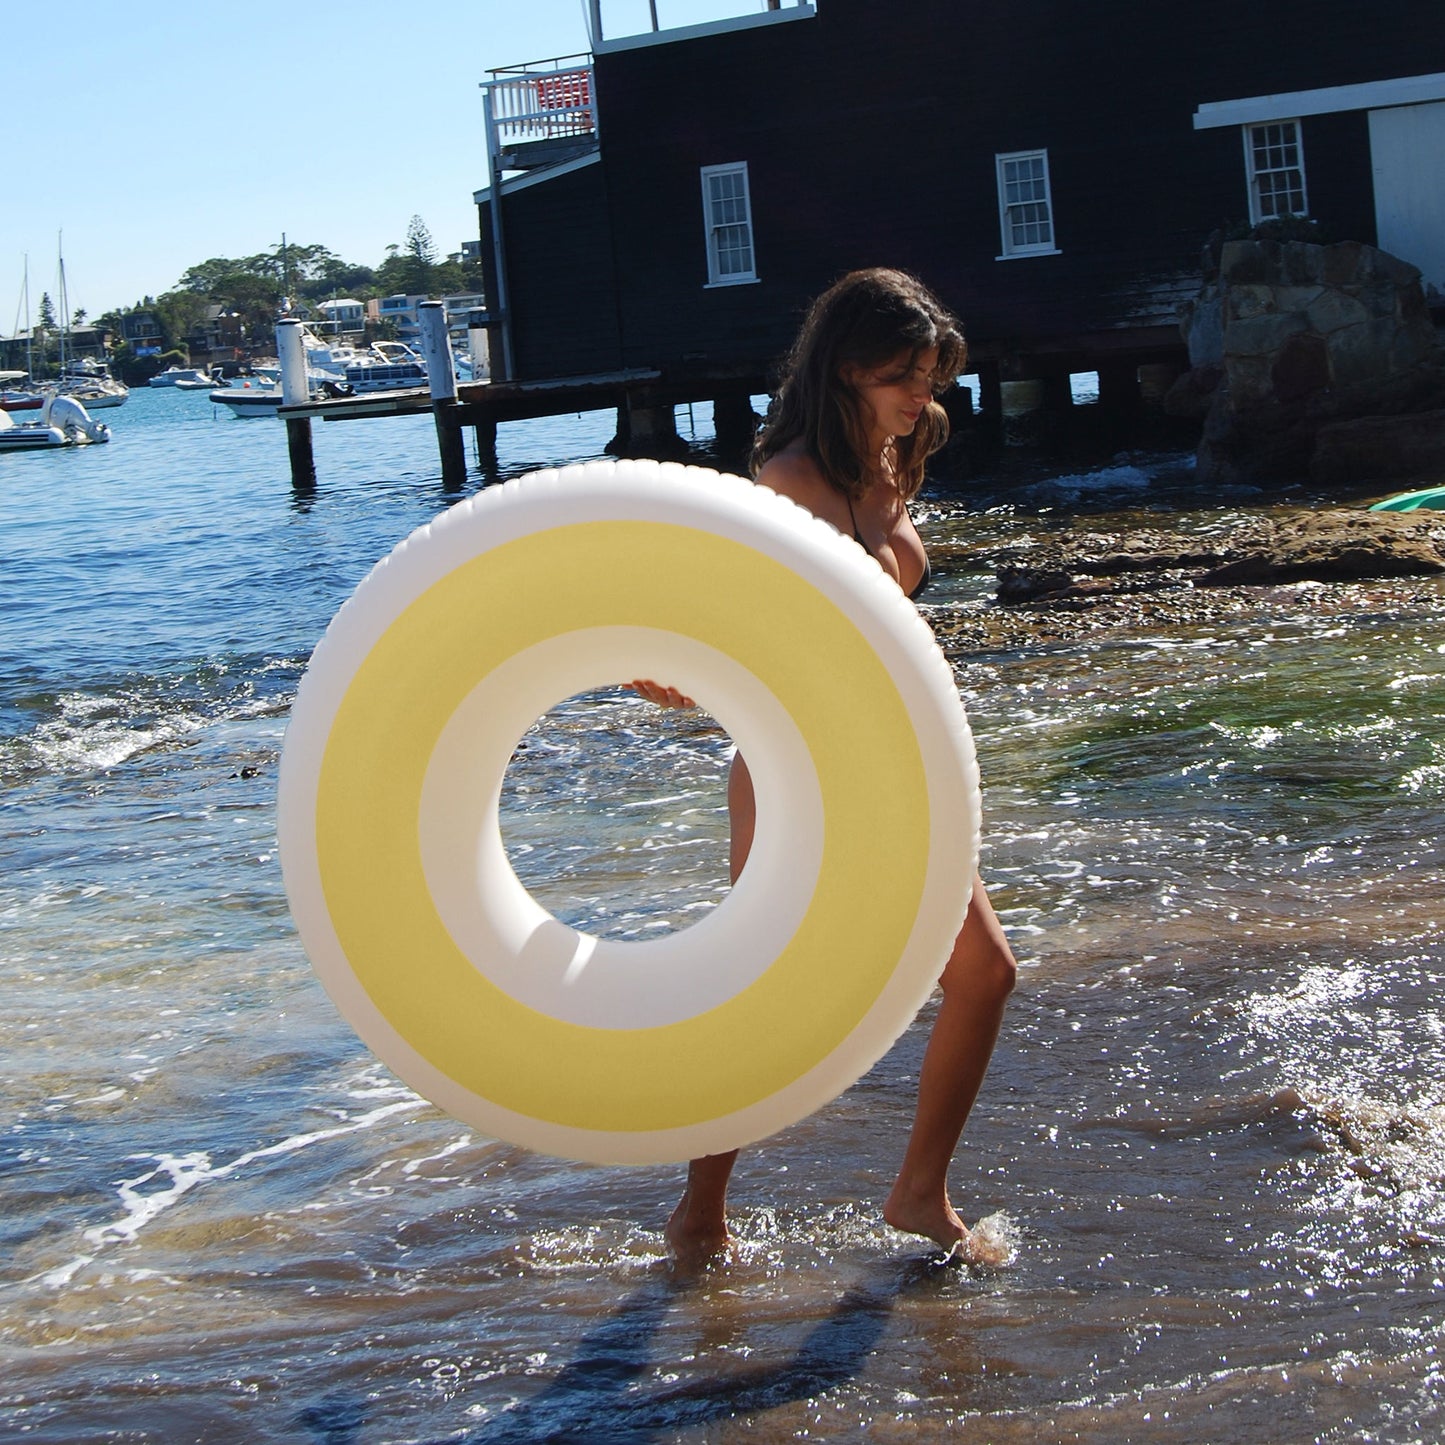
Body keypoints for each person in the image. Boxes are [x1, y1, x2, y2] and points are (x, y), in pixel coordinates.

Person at [633, 268, 1017, 1263]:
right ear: (846, 367)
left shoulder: (889, 469)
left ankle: (918, 1193)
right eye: (902, 377)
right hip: (794, 774)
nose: (920, 400)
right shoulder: (786, 484)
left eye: (928, 378)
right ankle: (699, 1208)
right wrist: (661, 663)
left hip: (890, 765)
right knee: (768, 1005)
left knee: (981, 973)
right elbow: (710, 608)